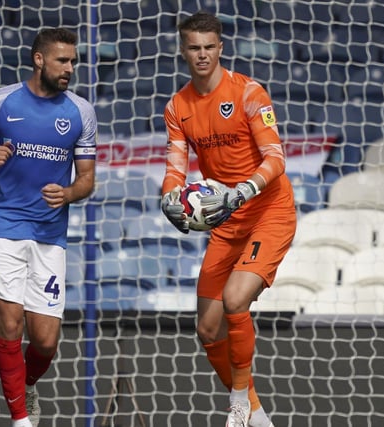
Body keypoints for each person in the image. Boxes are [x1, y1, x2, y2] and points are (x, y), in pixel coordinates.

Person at [160, 11, 296, 427]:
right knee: (207, 328)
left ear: (221, 48)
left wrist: (243, 190)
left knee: (236, 300)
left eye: (209, 47)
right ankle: (256, 415)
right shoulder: (177, 106)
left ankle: (238, 400)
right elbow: (176, 165)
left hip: (268, 211)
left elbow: (276, 157)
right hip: (225, 220)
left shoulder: (249, 93)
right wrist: (169, 198)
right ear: (182, 51)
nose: (202, 55)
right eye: (193, 48)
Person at [0, 28, 97, 427]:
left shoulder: (81, 111)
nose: (70, 68)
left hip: (50, 235)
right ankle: (20, 419)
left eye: (73, 61)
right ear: (39, 59)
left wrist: (68, 194)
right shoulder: (0, 102)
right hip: (3, 227)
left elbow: (87, 179)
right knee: (11, 323)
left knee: (46, 342)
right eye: (62, 61)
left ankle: (24, 384)